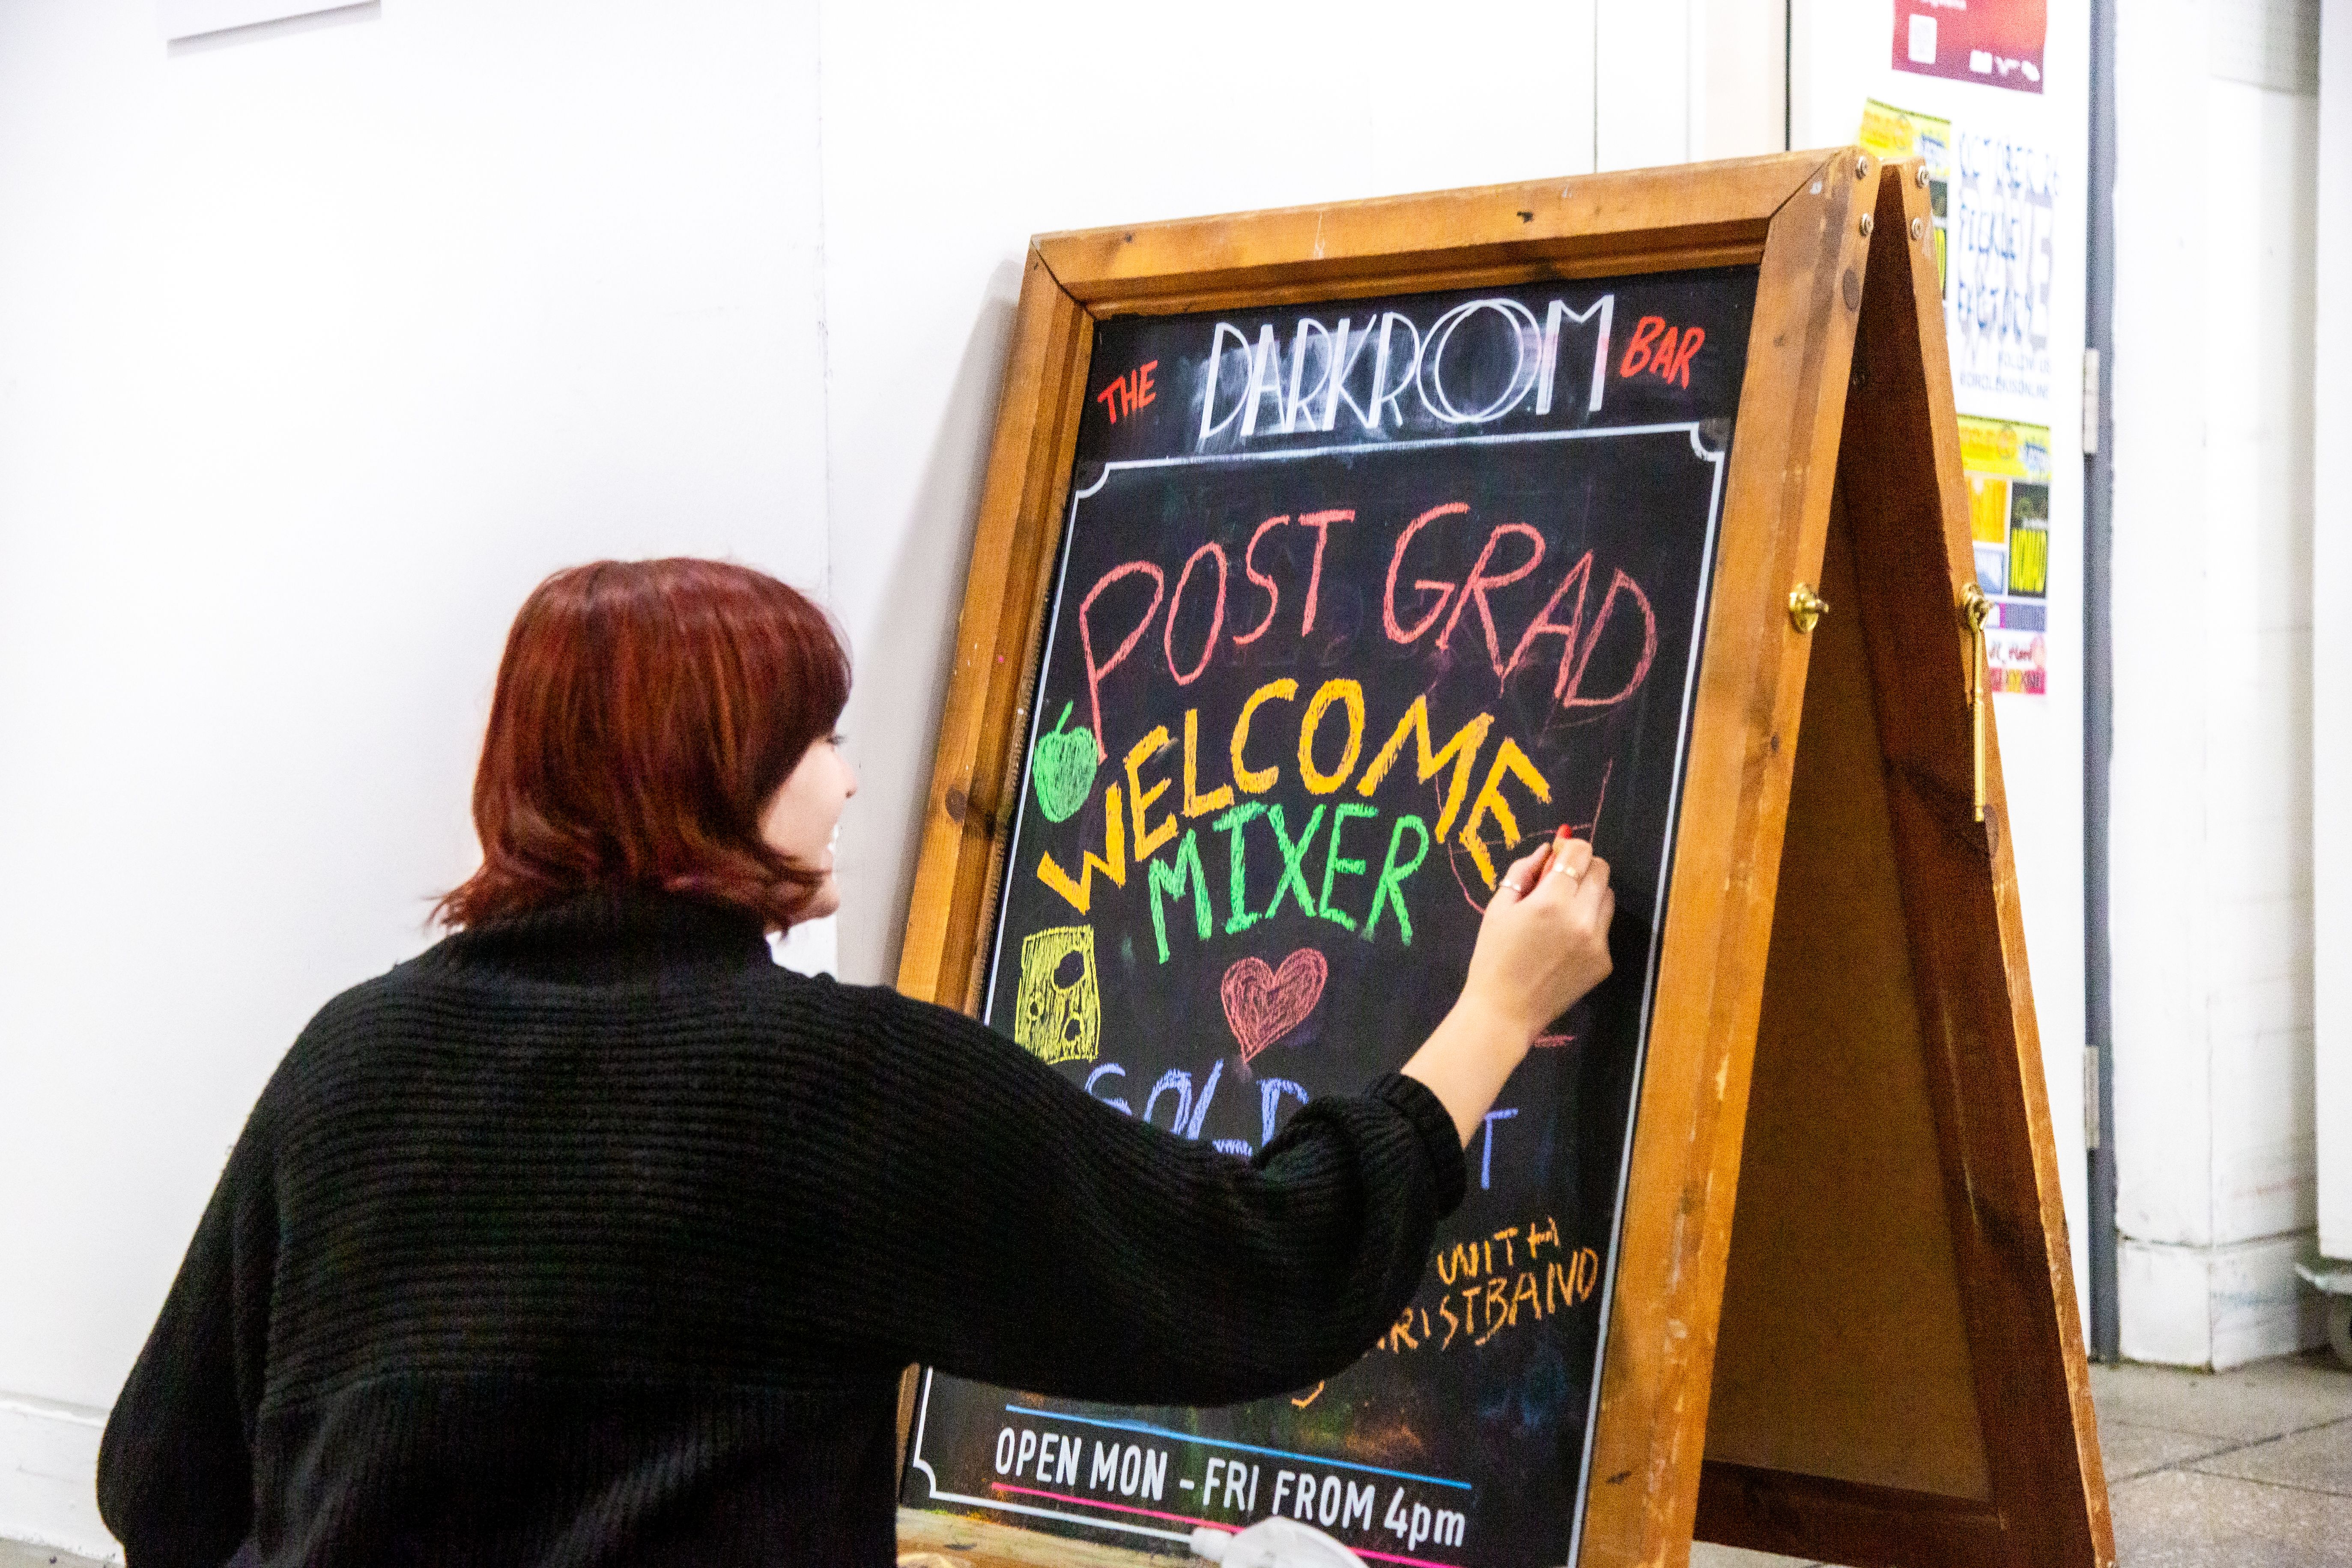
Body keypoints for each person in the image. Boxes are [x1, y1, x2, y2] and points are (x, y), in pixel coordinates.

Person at [95, 558, 1615, 1566]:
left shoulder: (352, 1058)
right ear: (712, 776)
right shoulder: (825, 1088)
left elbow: (156, 1486)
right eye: (813, 736)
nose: (850, 775)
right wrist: (1492, 1013)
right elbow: (1258, 1272)